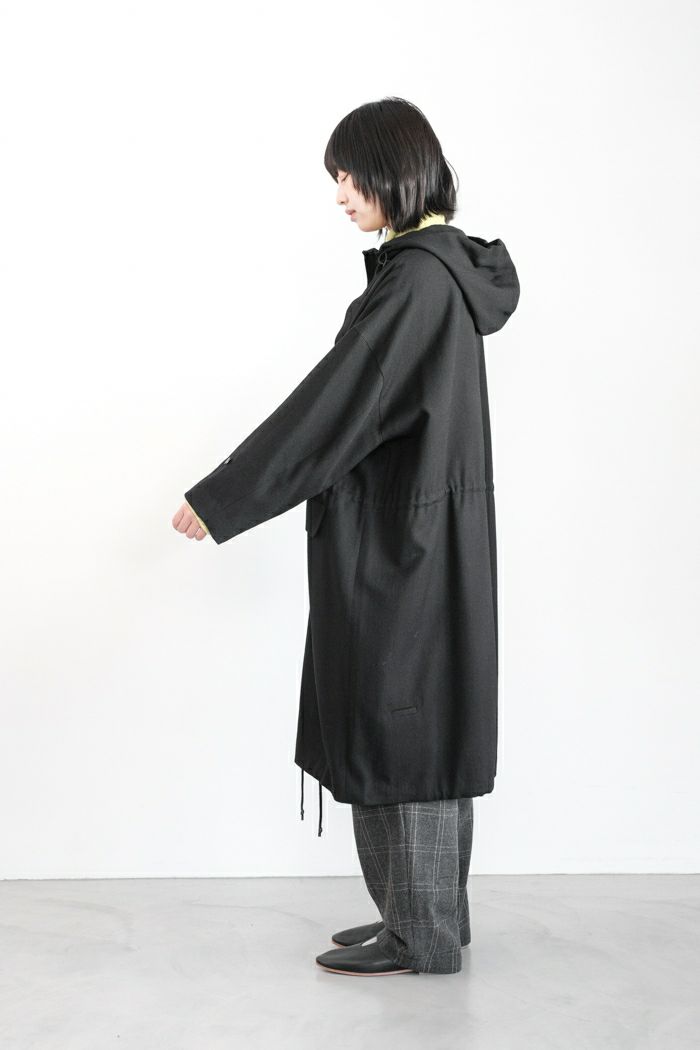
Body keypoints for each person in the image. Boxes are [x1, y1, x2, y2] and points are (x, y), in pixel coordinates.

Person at [172, 96, 520, 976]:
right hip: (419, 535)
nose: (339, 195)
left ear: (393, 171)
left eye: (348, 176)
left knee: (408, 731)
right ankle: (417, 917)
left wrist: (225, 497)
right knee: (413, 722)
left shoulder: (417, 283)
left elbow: (334, 406)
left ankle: (422, 935)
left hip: (407, 548)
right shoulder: (433, 273)